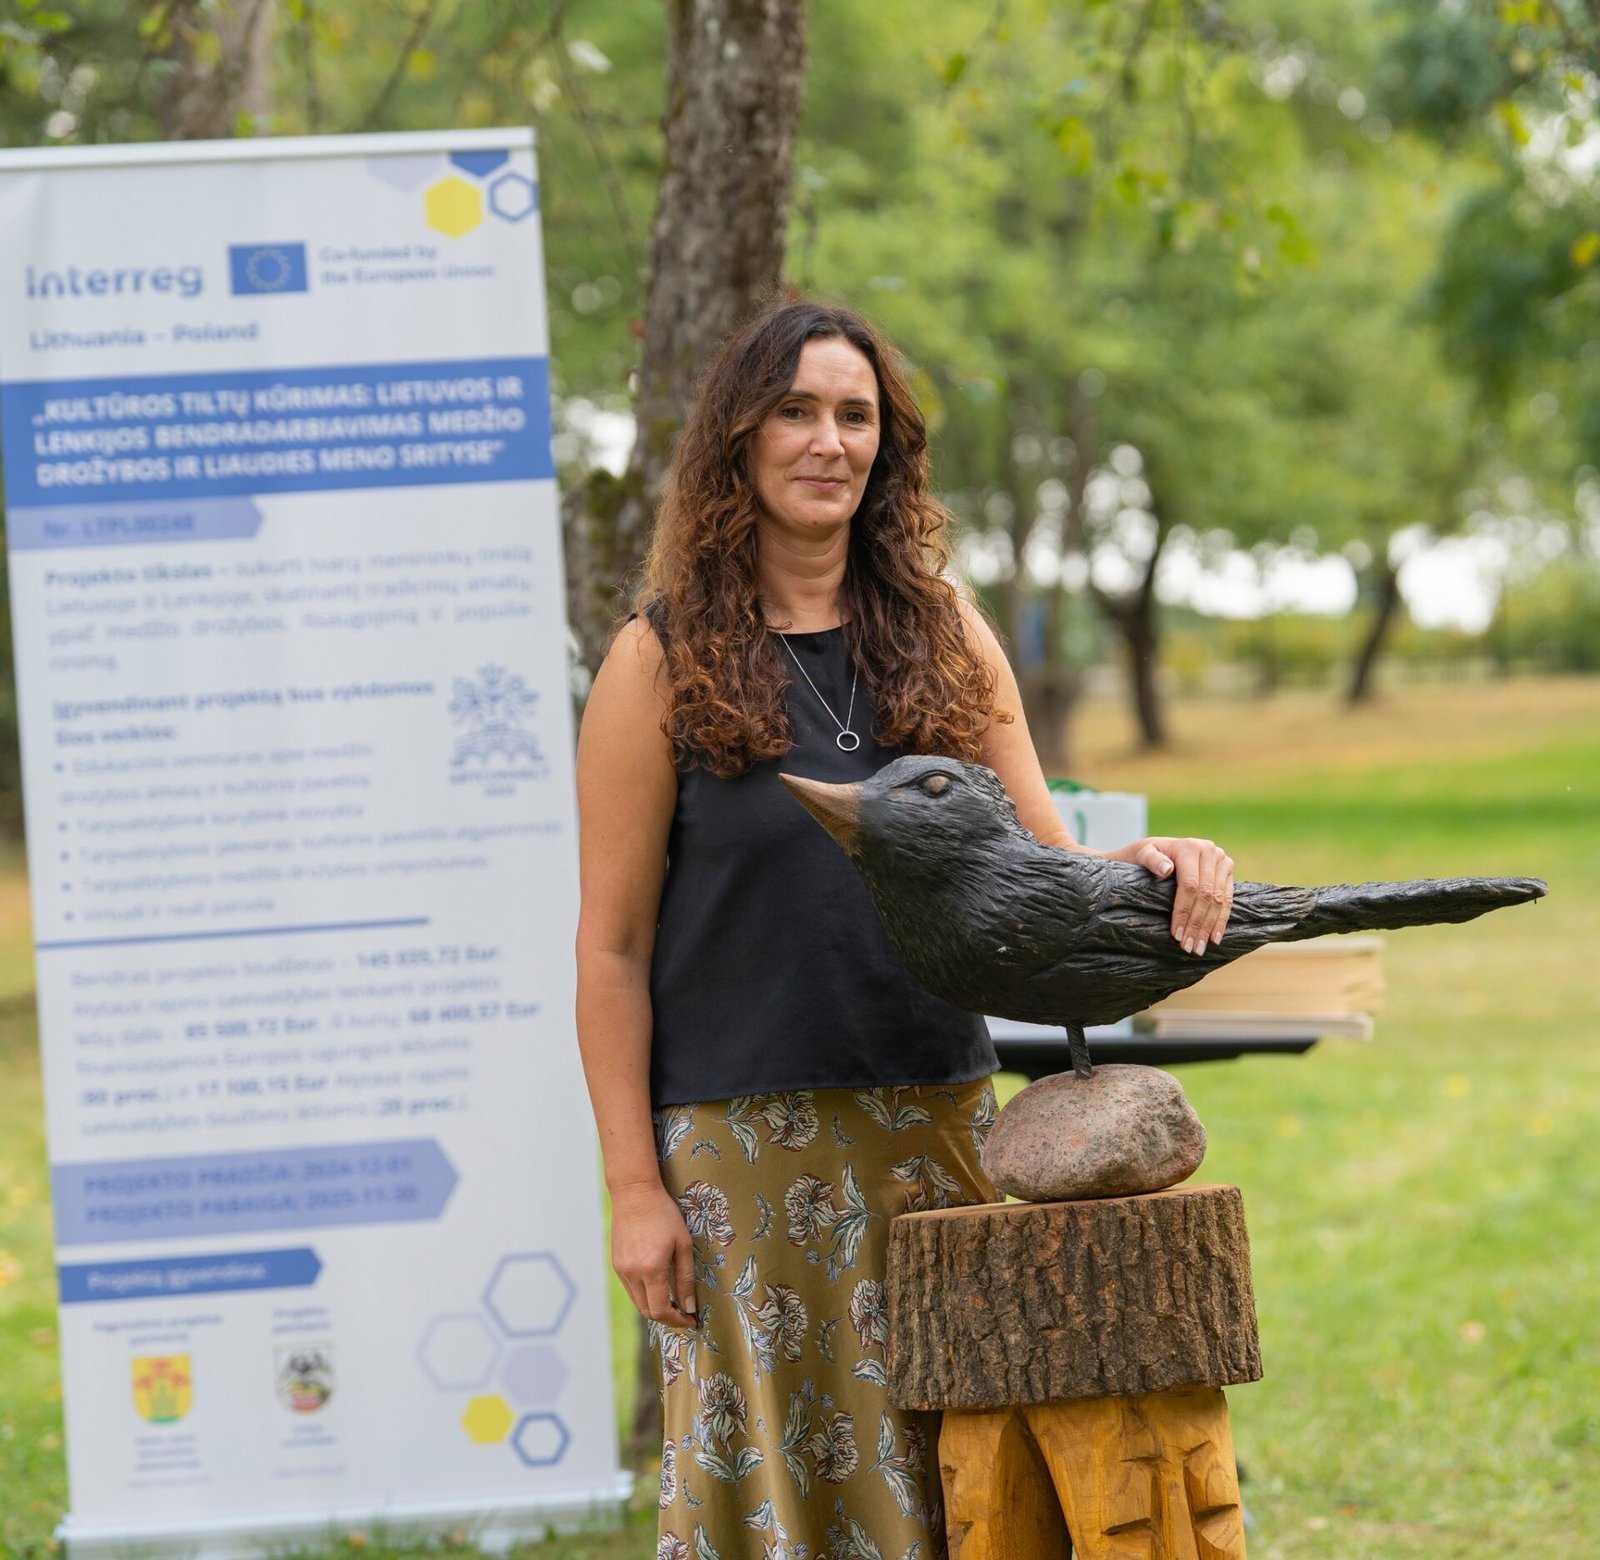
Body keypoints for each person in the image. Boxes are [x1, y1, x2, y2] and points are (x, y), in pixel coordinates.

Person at [574, 299, 1235, 1559]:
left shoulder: (945, 632)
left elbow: (1044, 863)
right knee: (777, 1485)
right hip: (740, 1155)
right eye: (795, 411)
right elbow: (609, 951)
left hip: (936, 1128)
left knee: (962, 1474)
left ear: (887, 447)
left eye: (855, 415)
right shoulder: (655, 662)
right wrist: (632, 1190)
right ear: (738, 438)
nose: (828, 441)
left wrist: (1157, 867)